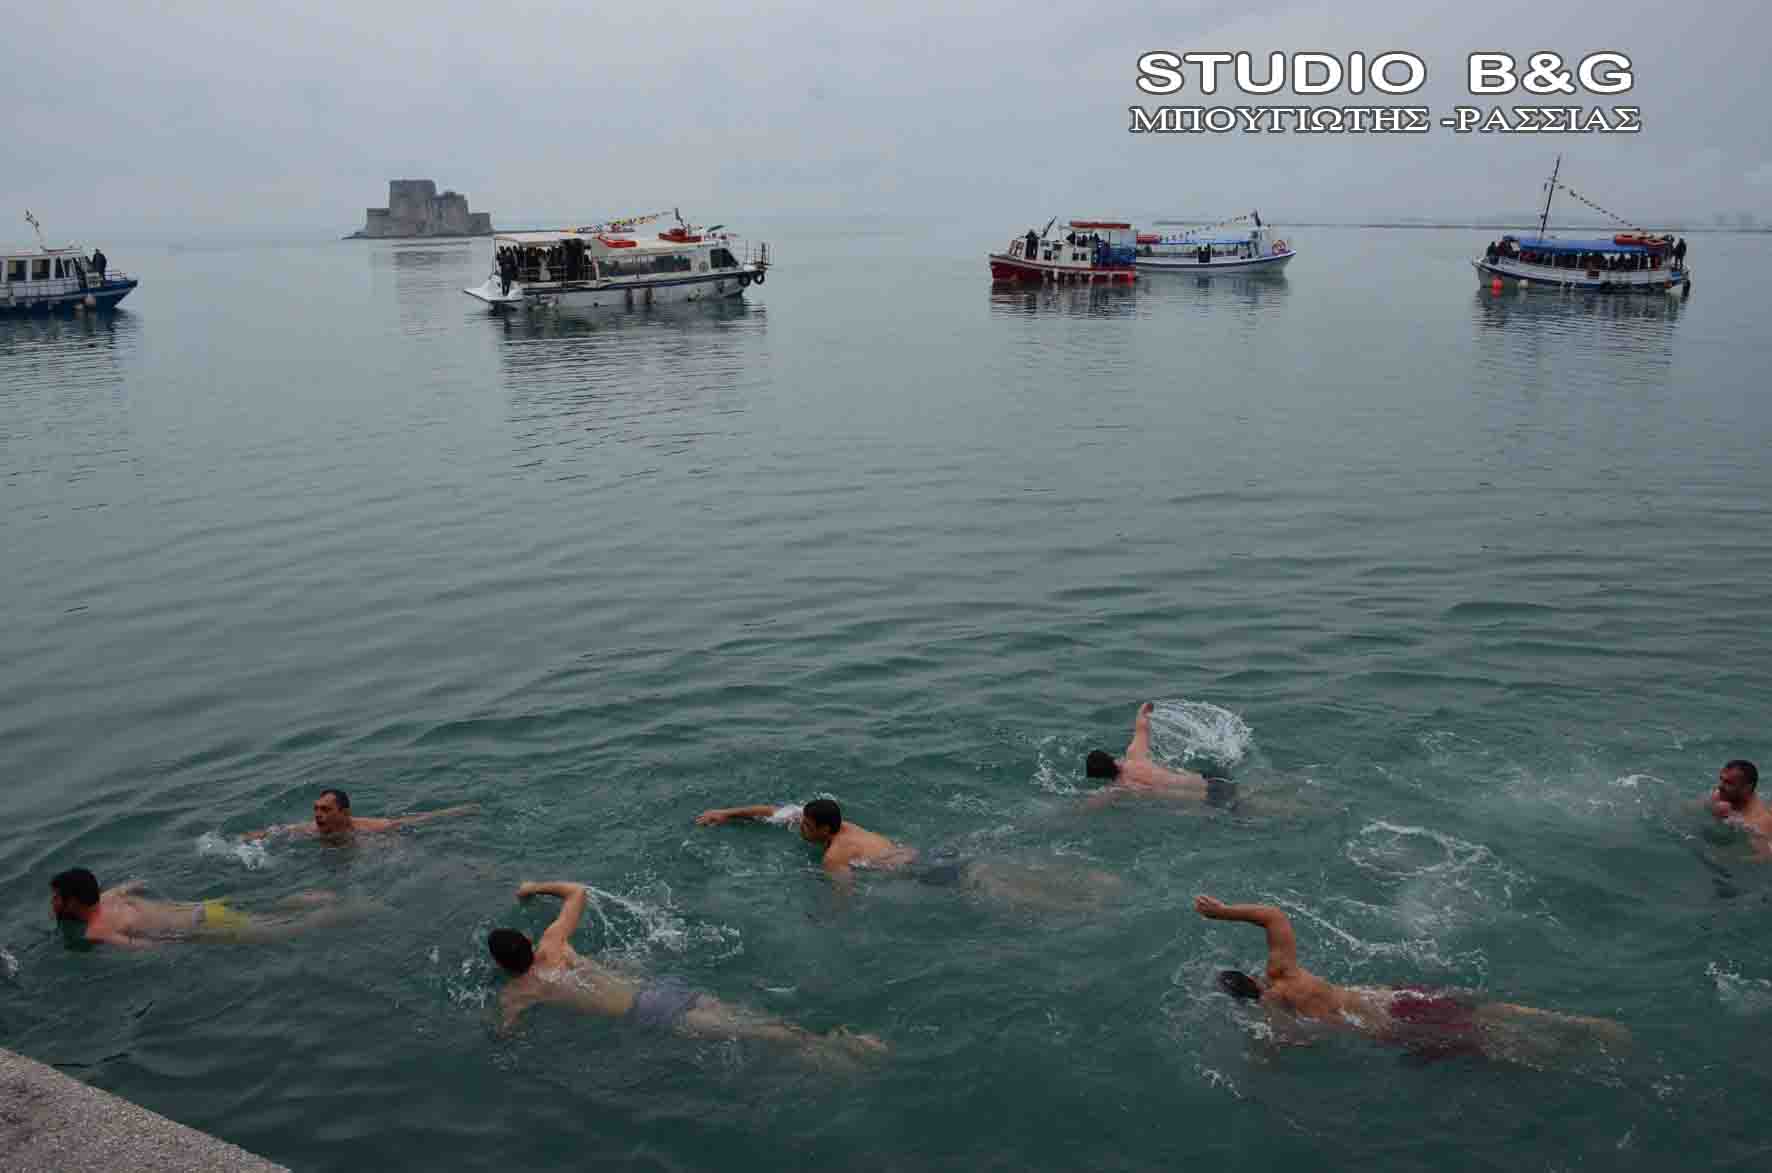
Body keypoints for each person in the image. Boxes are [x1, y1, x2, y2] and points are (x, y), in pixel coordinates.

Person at [1195, 894, 1627, 1060]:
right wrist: (1222, 912)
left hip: (1391, 1027)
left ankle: (1564, 1056)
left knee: (1486, 1042)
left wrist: (1257, 1058)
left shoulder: (1273, 1008)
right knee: (1488, 1010)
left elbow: (1293, 1043)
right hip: (1395, 998)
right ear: (1254, 975)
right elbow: (1273, 915)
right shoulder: (1284, 972)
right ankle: (1584, 1025)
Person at [488, 881, 884, 1060]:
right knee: (747, 1018)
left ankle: (830, 1045)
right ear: (529, 942)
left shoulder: (519, 993)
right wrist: (532, 887)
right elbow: (577, 892)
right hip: (657, 987)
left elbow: (507, 1035)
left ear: (501, 965)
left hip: (650, 1011)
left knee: (753, 1031)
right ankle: (834, 1042)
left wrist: (504, 1028)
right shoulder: (554, 945)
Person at [695, 798, 1116, 905]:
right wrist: (726, 814)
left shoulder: (834, 855)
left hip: (925, 873)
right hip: (928, 853)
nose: (799, 826)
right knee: (994, 870)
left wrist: (830, 918)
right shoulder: (844, 825)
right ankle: (1095, 881)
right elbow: (774, 811)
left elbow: (843, 894)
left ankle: (1079, 905)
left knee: (1002, 889)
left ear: (824, 830)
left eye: (806, 825)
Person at [49, 867, 344, 947]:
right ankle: (310, 898)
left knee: (293, 928)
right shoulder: (111, 897)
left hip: (204, 926)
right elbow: (135, 883)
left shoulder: (97, 931)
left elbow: (148, 950)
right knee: (269, 912)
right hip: (207, 908)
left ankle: (350, 910)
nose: (53, 902)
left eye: (57, 897)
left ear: (72, 901)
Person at [1083, 703, 1238, 809]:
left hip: (1207, 800)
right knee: (1243, 793)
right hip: (1210, 778)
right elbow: (1142, 729)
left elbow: (1093, 803)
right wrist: (1142, 712)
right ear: (1111, 758)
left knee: (1243, 804)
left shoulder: (1120, 788)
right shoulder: (1135, 757)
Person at [243, 789, 478, 841]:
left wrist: (459, 811)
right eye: (316, 809)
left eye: (325, 809)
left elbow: (417, 820)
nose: (317, 815)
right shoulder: (308, 830)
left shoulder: (372, 827)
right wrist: (240, 840)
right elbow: (274, 832)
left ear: (345, 813)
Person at [1707, 759, 1770, 855]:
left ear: (1747, 788)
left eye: (1729, 783)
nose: (1720, 786)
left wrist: (1723, 856)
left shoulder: (1758, 822)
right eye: (1721, 779)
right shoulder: (1722, 795)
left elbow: (1765, 857)